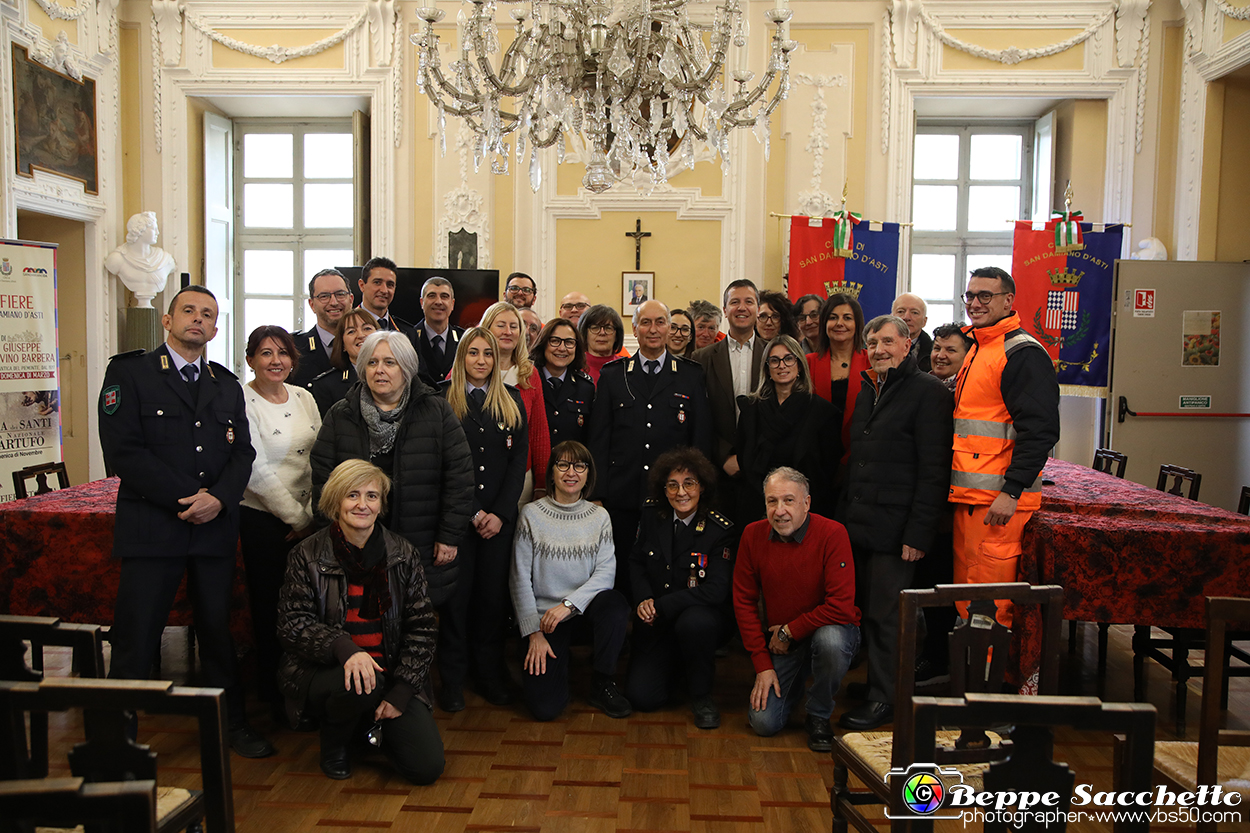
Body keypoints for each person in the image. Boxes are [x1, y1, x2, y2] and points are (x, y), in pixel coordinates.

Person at [98, 285, 272, 758]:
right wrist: (187, 498)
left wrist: (217, 498)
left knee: (219, 634)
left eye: (208, 315)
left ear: (216, 329)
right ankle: (117, 741)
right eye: (189, 311)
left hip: (213, 528)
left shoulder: (225, 383)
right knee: (136, 638)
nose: (198, 319)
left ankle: (230, 725)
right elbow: (123, 452)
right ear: (168, 321)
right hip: (154, 527)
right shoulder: (129, 373)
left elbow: (242, 452)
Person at [277, 459, 443, 784]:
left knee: (426, 768)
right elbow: (292, 624)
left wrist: (402, 692)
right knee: (357, 684)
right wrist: (345, 649)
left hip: (390, 672)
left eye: (372, 496)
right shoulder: (306, 554)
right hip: (326, 672)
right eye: (352, 495)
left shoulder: (403, 554)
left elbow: (422, 629)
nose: (362, 504)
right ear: (336, 501)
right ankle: (336, 741)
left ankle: (369, 723)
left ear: (381, 505)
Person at [836, 316, 953, 731]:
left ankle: (888, 699)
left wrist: (919, 533)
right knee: (870, 611)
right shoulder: (871, 388)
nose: (879, 348)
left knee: (889, 618)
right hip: (862, 523)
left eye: (888, 341)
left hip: (899, 530)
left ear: (908, 345)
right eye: (872, 342)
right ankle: (876, 685)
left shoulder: (929, 393)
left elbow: (934, 471)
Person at [311, 330, 474, 613]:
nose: (380, 370)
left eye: (390, 362)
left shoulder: (436, 411)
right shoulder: (341, 415)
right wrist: (332, 536)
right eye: (372, 363)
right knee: (361, 624)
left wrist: (449, 536)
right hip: (354, 543)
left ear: (407, 368)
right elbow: (322, 480)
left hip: (421, 542)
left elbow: (460, 477)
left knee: (414, 623)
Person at [950, 267, 1060, 627]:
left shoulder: (1021, 353)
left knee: (991, 608)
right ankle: (967, 675)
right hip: (971, 498)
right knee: (967, 598)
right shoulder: (980, 348)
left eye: (986, 296)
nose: (975, 304)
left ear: (1008, 300)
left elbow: (1040, 431)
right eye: (970, 296)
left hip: (998, 503)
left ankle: (987, 681)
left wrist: (1011, 491)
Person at [587, 300, 713, 596]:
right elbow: (599, 439)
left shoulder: (690, 375)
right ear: (634, 329)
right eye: (645, 323)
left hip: (672, 496)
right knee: (619, 573)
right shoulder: (613, 374)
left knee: (665, 573)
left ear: (670, 328)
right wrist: (598, 495)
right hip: (622, 493)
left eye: (660, 322)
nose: (653, 329)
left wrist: (697, 492)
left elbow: (700, 439)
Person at [732, 467, 859, 753]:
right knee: (763, 723)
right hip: (784, 645)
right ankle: (795, 685)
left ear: (807, 503)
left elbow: (841, 607)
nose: (779, 511)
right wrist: (762, 666)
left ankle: (819, 714)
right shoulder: (752, 535)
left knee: (830, 641)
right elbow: (743, 602)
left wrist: (790, 630)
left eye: (789, 500)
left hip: (826, 630)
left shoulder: (833, 533)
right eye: (771, 501)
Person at [438, 329, 528, 710]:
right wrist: (474, 511)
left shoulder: (512, 402)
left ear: (496, 360)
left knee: (492, 602)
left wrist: (500, 513)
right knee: (456, 603)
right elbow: (442, 465)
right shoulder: (442, 401)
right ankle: (453, 680)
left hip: (497, 524)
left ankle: (489, 674)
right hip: (458, 521)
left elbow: (517, 464)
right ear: (461, 359)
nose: (480, 360)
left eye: (487, 354)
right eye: (472, 353)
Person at [510, 441, 632, 721]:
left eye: (579, 466)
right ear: (551, 472)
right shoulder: (530, 515)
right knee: (545, 709)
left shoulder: (599, 516)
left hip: (582, 613)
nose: (571, 472)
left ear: (588, 474)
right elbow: (519, 579)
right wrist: (533, 634)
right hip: (545, 621)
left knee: (615, 604)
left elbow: (605, 574)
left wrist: (569, 604)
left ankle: (602, 682)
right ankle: (556, 668)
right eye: (562, 465)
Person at [239, 325, 322, 718]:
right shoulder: (242, 400)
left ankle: (307, 685)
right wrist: (296, 518)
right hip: (266, 522)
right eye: (266, 353)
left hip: (308, 520)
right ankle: (274, 694)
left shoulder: (305, 397)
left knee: (311, 607)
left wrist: (312, 517)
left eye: (283, 353)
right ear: (251, 358)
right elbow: (254, 472)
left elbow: (319, 457)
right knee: (273, 608)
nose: (276, 361)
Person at [626, 448, 733, 729]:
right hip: (657, 623)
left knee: (694, 623)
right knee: (642, 698)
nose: (680, 492)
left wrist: (660, 605)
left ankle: (701, 694)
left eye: (689, 484)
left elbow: (716, 590)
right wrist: (643, 599)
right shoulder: (652, 515)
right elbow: (636, 560)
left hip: (698, 621)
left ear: (702, 487)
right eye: (672, 485)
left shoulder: (718, 530)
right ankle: (676, 668)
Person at [735, 336, 841, 522]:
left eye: (789, 358)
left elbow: (827, 470)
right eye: (774, 360)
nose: (781, 365)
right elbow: (744, 459)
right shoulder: (751, 409)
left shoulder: (822, 412)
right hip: (757, 506)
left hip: (807, 510)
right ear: (767, 369)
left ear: (799, 365)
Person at [693, 280, 766, 490]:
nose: (742, 307)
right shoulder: (702, 358)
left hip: (763, 468)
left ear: (758, 309)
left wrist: (753, 456)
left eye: (749, 302)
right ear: (725, 310)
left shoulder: (773, 355)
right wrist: (723, 455)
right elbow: (700, 416)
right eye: (735, 302)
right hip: (716, 469)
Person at [480, 302, 551, 502]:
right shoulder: (469, 368)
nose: (508, 332)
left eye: (514, 326)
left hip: (520, 478)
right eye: (501, 325)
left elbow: (539, 434)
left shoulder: (529, 374)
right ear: (486, 328)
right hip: (476, 475)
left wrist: (541, 485)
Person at [806, 293, 870, 461]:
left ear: (857, 324)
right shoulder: (807, 363)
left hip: (860, 457)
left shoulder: (871, 363)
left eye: (847, 318)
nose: (840, 323)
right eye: (833, 317)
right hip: (816, 457)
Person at [531, 318, 595, 447]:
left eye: (569, 342)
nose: (562, 348)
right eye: (555, 341)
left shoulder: (585, 387)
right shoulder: (529, 381)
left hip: (571, 465)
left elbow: (590, 437)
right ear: (543, 344)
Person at [290, 269, 352, 390]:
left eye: (340, 294)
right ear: (312, 305)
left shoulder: (367, 346)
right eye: (324, 296)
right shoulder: (294, 348)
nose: (334, 302)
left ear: (351, 300)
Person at [311, 309, 377, 417]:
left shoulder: (399, 376)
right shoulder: (326, 385)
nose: (360, 335)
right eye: (351, 331)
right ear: (343, 345)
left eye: (367, 328)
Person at [103, 211, 176, 308]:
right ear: (140, 230)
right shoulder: (117, 259)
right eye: (153, 229)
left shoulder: (165, 259)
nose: (157, 232)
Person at [409, 277, 463, 388]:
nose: (438, 302)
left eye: (444, 296)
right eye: (432, 296)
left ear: (452, 304)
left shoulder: (464, 339)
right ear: (422, 303)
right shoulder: (408, 339)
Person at [578, 304, 631, 384]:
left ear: (616, 335)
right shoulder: (575, 368)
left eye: (608, 328)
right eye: (595, 328)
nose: (602, 333)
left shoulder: (627, 368)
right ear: (585, 334)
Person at [358, 256, 412, 331]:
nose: (384, 290)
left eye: (390, 285)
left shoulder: (408, 332)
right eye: (377, 282)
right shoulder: (344, 327)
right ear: (362, 285)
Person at [892, 292, 932, 372]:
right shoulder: (877, 348)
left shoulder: (934, 352)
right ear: (891, 317)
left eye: (914, 312)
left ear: (924, 321)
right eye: (901, 312)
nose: (906, 317)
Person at [929, 322, 973, 390]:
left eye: (951, 350)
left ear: (967, 355)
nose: (941, 356)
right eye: (937, 349)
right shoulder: (918, 385)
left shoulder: (970, 390)